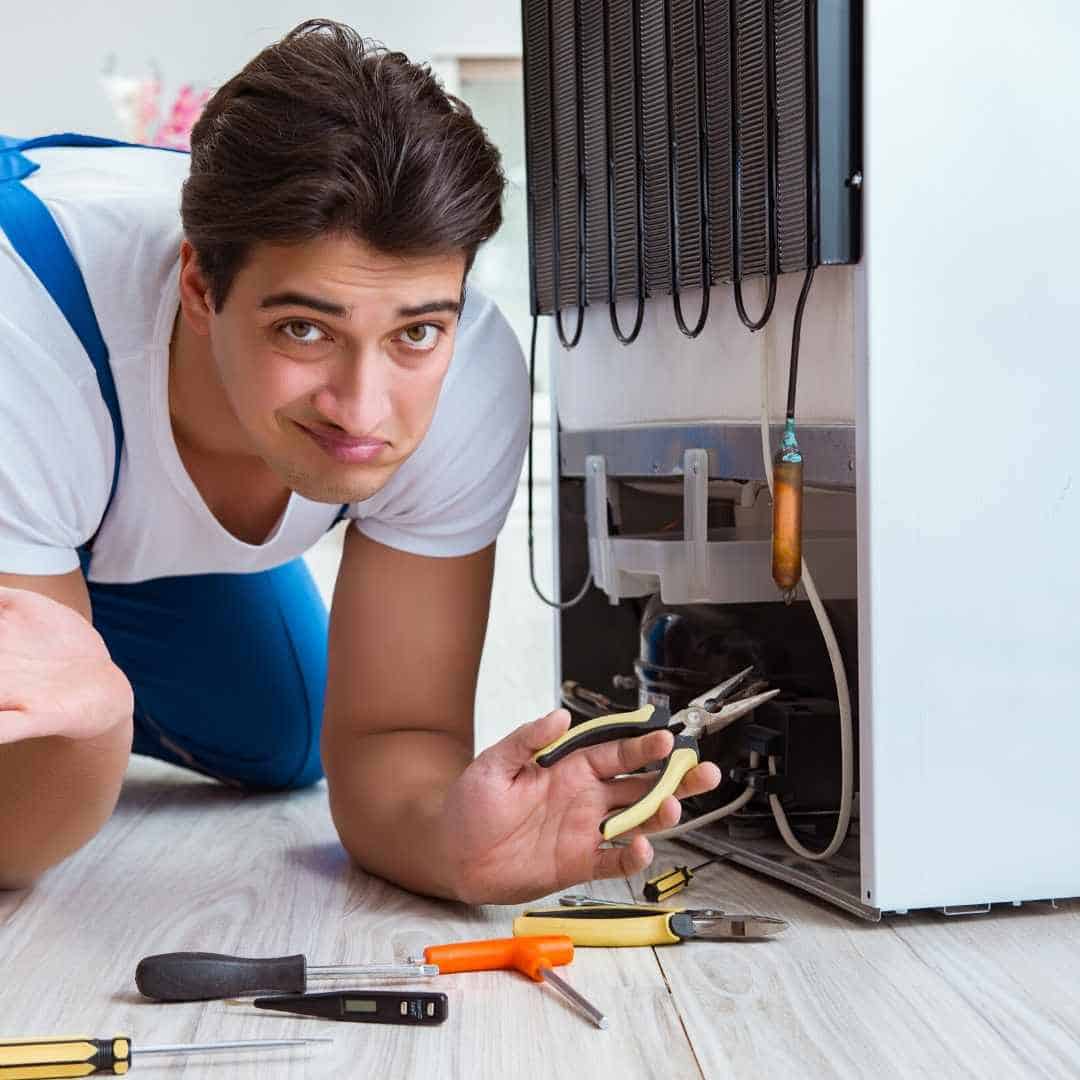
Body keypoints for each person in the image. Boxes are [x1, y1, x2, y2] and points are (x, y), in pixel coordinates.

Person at [0, 19, 720, 901]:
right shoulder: (24, 345)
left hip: (77, 486)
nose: (363, 408)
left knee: (283, 731)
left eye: (416, 331)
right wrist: (94, 719)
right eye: (304, 329)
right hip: (30, 403)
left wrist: (453, 844)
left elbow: (397, 739)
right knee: (66, 737)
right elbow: (17, 834)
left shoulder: (466, 375)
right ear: (200, 288)